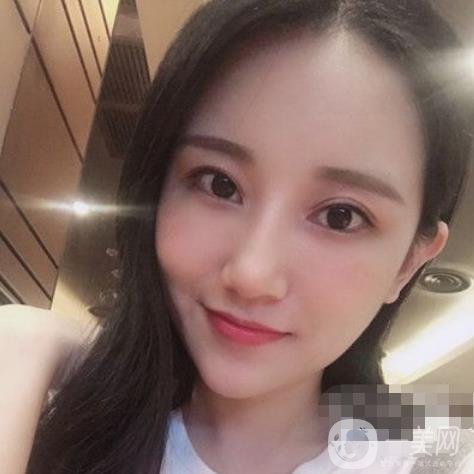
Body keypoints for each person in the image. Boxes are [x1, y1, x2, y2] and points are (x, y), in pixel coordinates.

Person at [0, 0, 473, 472]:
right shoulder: (46, 428)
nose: (251, 274)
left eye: (341, 216)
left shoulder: (437, 459)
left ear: (409, 263)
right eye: (219, 184)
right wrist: (21, 340)